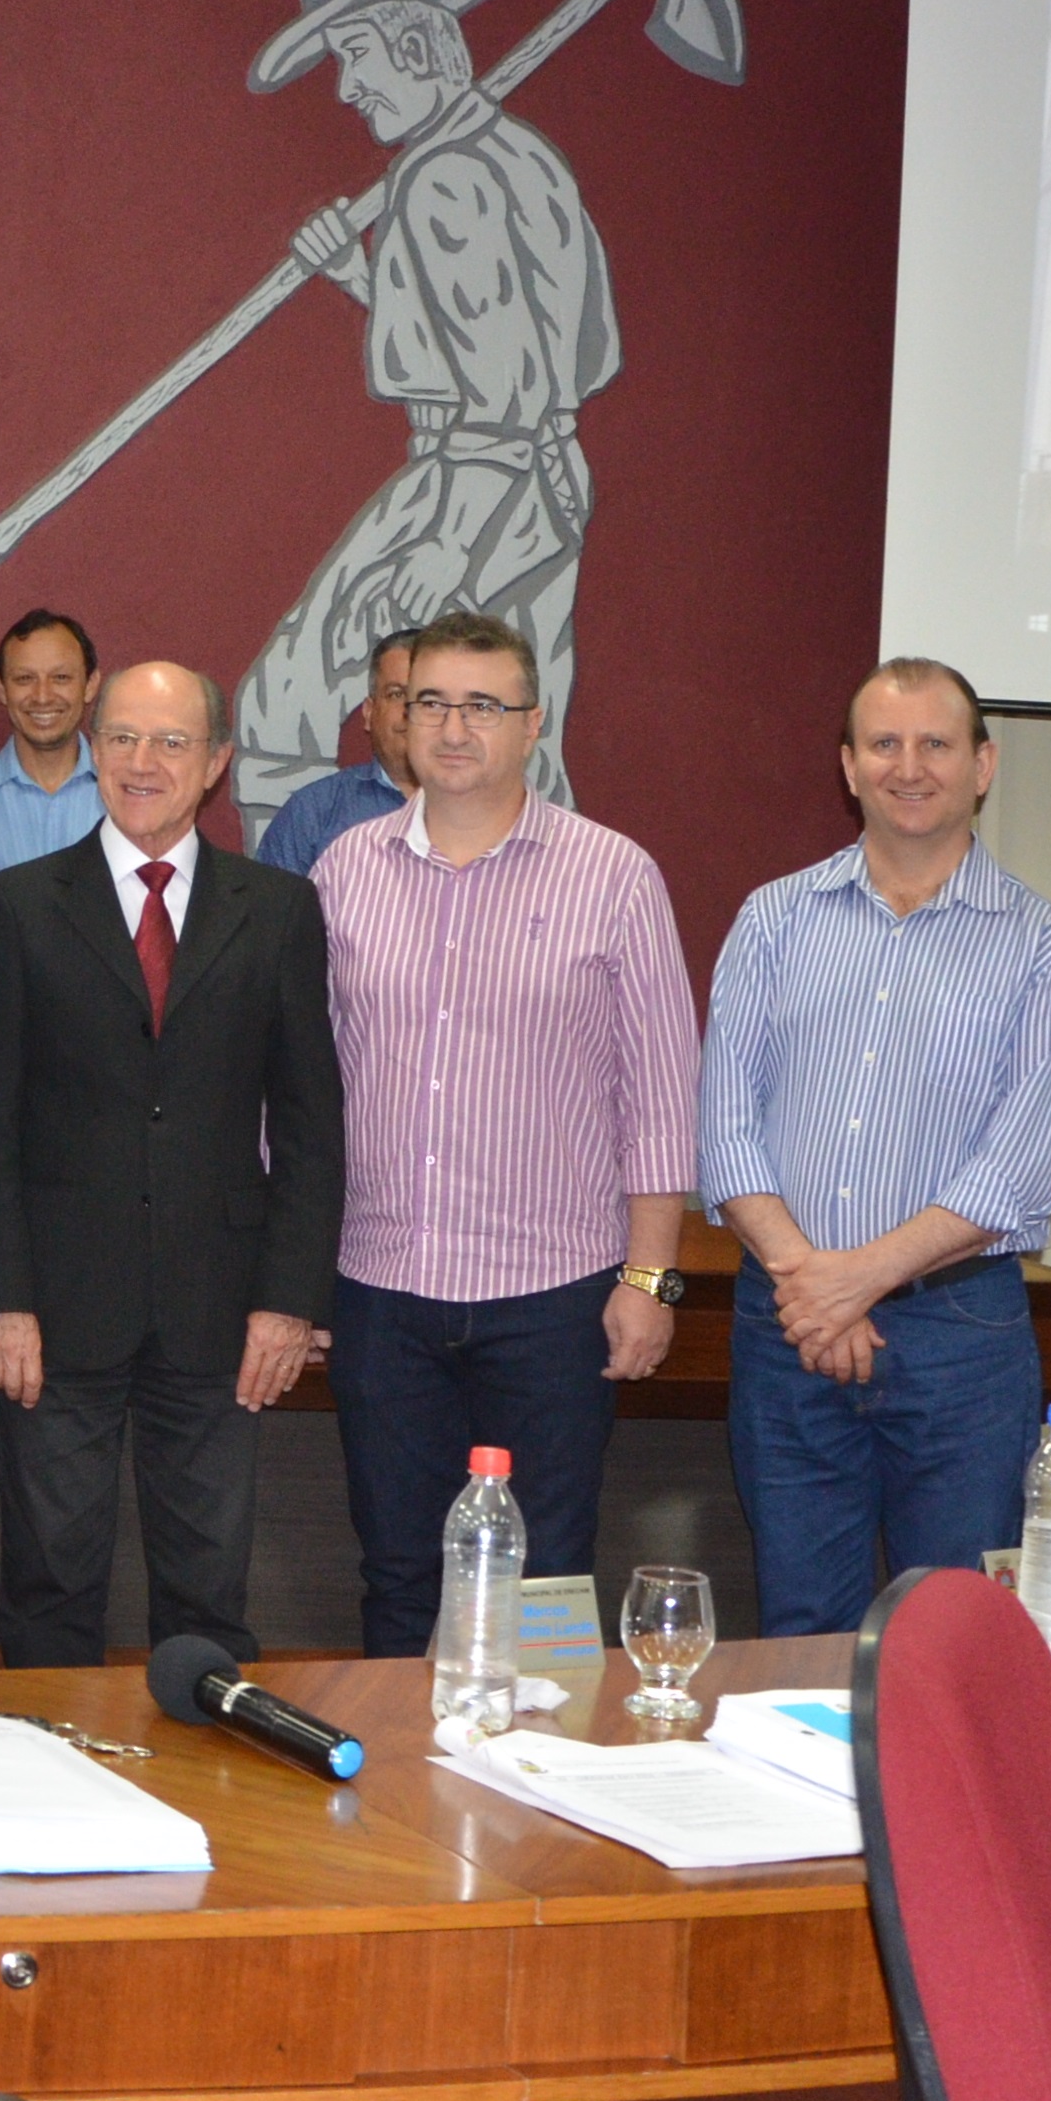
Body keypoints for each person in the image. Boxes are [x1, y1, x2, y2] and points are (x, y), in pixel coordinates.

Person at [306, 608, 697, 1656]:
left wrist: (650, 1280)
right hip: (381, 1289)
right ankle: (401, 1764)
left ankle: (538, 1762)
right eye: (429, 701)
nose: (452, 727)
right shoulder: (343, 872)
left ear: (533, 724)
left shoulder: (613, 874)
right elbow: (301, 1093)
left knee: (547, 1578)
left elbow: (661, 1094)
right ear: (396, 720)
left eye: (482, 705)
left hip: (554, 1299)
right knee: (397, 1573)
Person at [698, 659, 1051, 1637]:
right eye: (883, 744)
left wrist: (853, 1283)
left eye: (935, 744)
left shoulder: (1045, 948)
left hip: (958, 1338)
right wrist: (812, 1284)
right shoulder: (773, 919)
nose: (907, 767)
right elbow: (724, 1127)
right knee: (799, 1630)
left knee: (951, 1635)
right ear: (848, 766)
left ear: (981, 766)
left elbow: (1014, 1175)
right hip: (785, 1323)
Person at [0, 661, 341, 1673]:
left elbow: (310, 1125)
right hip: (51, 1309)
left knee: (209, 1595)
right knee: (48, 1587)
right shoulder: (14, 906)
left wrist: (289, 1301)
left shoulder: (279, 910)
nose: (143, 761)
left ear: (215, 763)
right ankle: (48, 1767)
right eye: (123, 737)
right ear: (93, 751)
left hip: (220, 1309)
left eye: (172, 742)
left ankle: (209, 1768)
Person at [234, 0, 622, 820]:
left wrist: (450, 542)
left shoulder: (442, 176)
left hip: (477, 474)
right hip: (542, 479)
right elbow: (503, 336)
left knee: (283, 702)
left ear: (413, 44)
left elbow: (507, 390)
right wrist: (360, 276)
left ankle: (305, 902)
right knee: (519, 738)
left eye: (356, 53)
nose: (347, 86)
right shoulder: (516, 154)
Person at [0, 609, 103, 915]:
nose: (42, 696)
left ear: (90, 685)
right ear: (2, 689)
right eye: (25, 679)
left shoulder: (127, 791)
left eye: (61, 678)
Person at [252, 628, 414, 876]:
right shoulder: (313, 813)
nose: (410, 710)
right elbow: (269, 900)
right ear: (369, 712)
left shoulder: (475, 807)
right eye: (396, 694)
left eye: (426, 698)